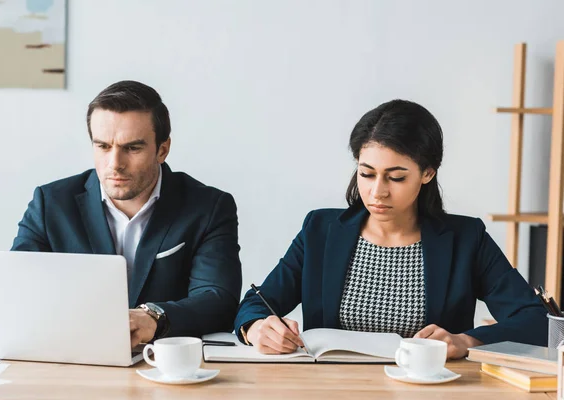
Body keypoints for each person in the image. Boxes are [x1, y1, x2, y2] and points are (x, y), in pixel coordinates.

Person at [234, 99, 547, 359]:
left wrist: (466, 341)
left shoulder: (466, 239)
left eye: (395, 177)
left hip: (428, 390)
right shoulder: (320, 230)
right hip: (329, 388)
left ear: (427, 173)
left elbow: (536, 322)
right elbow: (256, 303)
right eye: (367, 174)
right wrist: (256, 329)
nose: (377, 192)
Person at [12, 80, 242, 347]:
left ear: (162, 149)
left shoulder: (208, 207)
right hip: (72, 357)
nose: (115, 164)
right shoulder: (50, 203)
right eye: (103, 146)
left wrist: (154, 318)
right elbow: (19, 290)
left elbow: (217, 299)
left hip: (165, 366)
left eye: (132, 148)